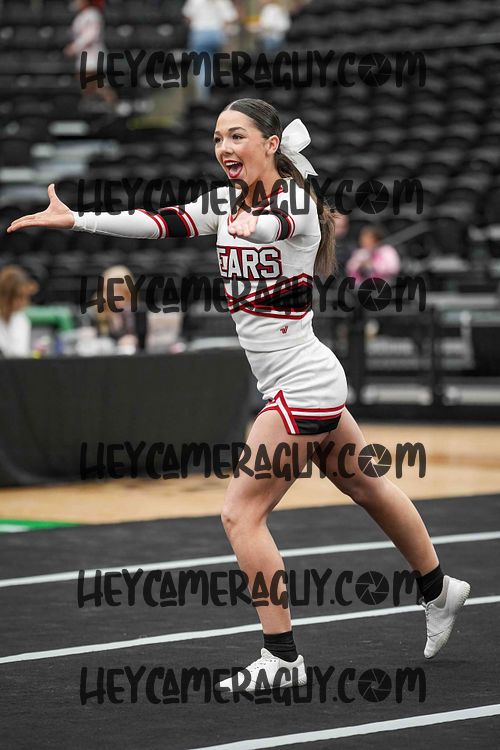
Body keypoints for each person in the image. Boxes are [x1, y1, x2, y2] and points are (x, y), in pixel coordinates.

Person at [7, 98, 470, 692]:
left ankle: (282, 656)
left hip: (302, 383)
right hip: (302, 377)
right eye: (218, 138)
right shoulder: (224, 202)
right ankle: (439, 588)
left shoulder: (296, 202)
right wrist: (78, 220)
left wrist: (259, 225)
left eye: (237, 136)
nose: (224, 147)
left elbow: (282, 223)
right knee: (367, 486)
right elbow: (159, 222)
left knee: (240, 514)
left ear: (271, 144)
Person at [182, 0, 239, 100]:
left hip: (199, 34)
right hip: (217, 35)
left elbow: (188, 16)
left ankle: (206, 98)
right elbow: (231, 18)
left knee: (203, 67)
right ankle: (216, 95)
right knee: (215, 65)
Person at [64, 0, 117, 106]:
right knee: (90, 88)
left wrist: (74, 47)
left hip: (93, 57)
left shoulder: (92, 14)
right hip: (84, 57)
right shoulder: (82, 15)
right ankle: (95, 107)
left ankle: (114, 105)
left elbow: (91, 35)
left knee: (95, 86)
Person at [0, 266, 39, 357]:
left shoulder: (22, 320)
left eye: (26, 297)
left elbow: (21, 354)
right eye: (19, 297)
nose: (24, 302)